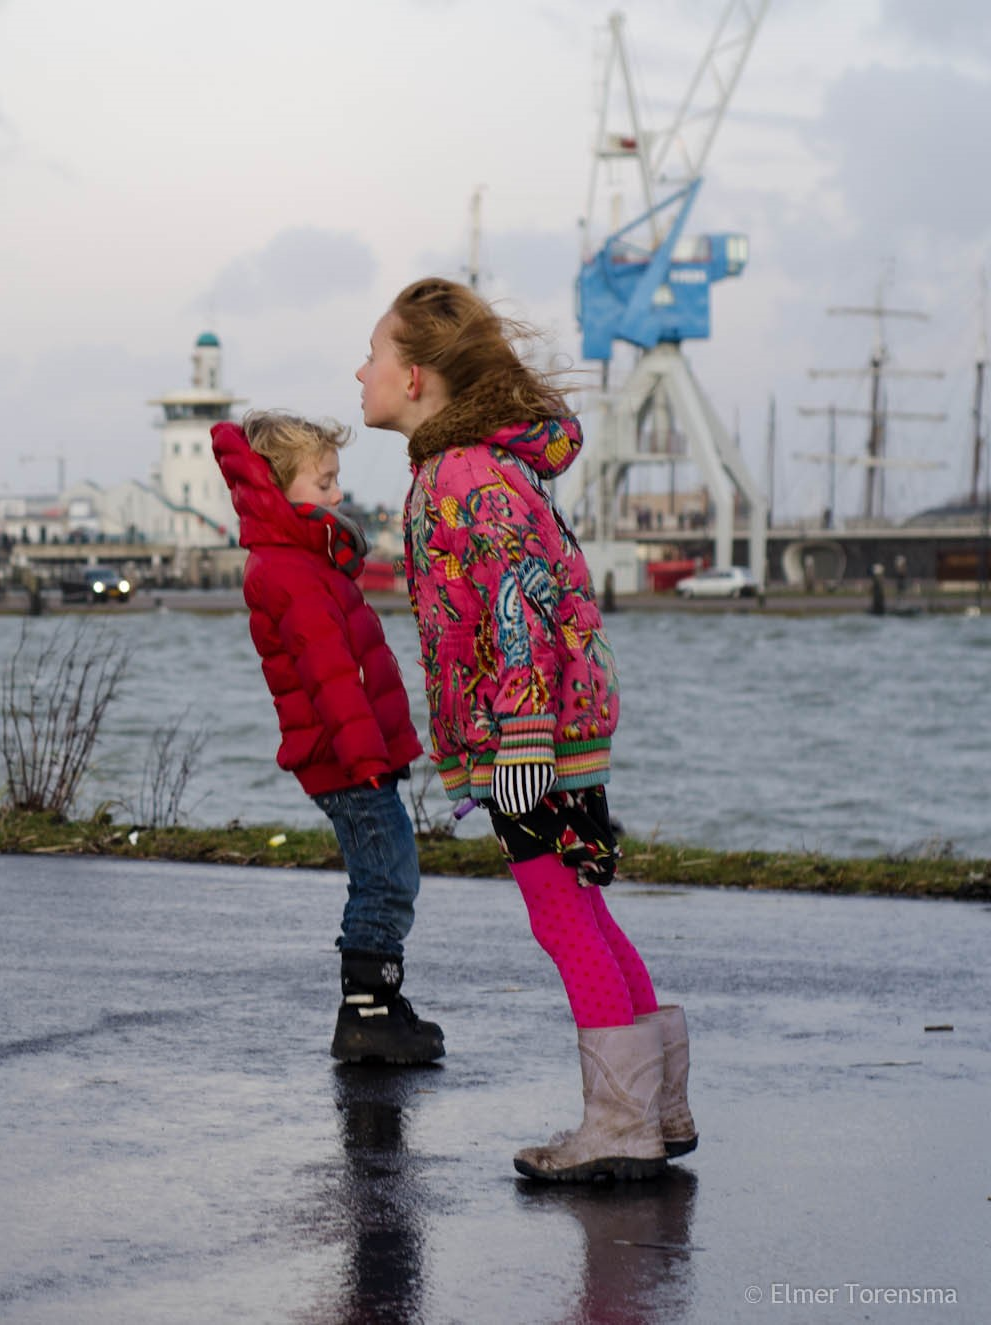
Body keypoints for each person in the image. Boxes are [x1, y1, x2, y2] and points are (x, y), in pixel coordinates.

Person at [355, 276, 696, 1180]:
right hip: (546, 723)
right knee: (581, 902)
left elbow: (516, 598)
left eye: (375, 354)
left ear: (418, 375)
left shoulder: (463, 472)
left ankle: (618, 1127)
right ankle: (655, 1110)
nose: (361, 372)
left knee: (559, 910)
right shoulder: (468, 466)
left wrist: (523, 736)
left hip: (532, 734)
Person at [212, 410, 444, 1065]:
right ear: (282, 489)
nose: (338, 494)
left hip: (354, 755)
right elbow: (331, 675)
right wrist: (369, 760)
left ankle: (379, 1001)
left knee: (387, 871)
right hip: (348, 760)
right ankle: (366, 1014)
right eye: (325, 482)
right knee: (384, 878)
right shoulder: (289, 569)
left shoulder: (305, 560)